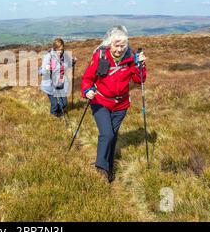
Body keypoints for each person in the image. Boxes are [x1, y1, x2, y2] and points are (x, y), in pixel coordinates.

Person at [80, 25, 146, 183]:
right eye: (116, 45)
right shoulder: (100, 57)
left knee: (112, 136)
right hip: (100, 101)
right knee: (107, 134)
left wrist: (140, 65)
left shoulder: (131, 57)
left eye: (123, 45)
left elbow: (139, 80)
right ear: (110, 44)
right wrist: (87, 90)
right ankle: (101, 170)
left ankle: (107, 167)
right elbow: (87, 79)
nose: (120, 49)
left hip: (121, 105)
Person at [40, 38, 77, 117]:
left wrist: (72, 62)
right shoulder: (48, 57)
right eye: (58, 49)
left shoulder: (63, 56)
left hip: (60, 84)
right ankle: (53, 117)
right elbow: (42, 71)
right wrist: (47, 69)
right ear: (54, 48)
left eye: (61, 49)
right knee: (55, 104)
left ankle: (60, 113)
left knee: (64, 103)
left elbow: (66, 65)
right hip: (50, 84)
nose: (60, 51)